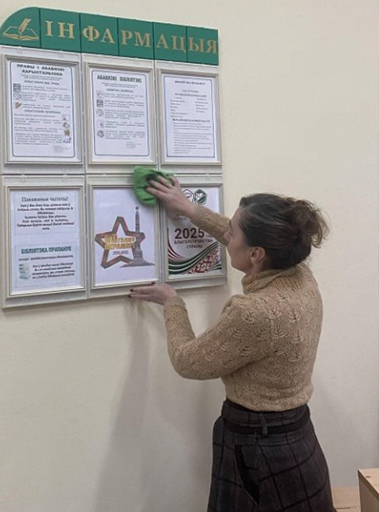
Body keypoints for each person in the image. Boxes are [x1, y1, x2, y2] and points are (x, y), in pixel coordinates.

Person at [129, 176, 335, 512]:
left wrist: (172, 303)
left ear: (256, 254)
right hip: (297, 439)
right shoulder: (299, 274)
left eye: (233, 232)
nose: (227, 235)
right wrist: (190, 209)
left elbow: (187, 361)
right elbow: (233, 233)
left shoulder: (255, 312)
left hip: (257, 449)